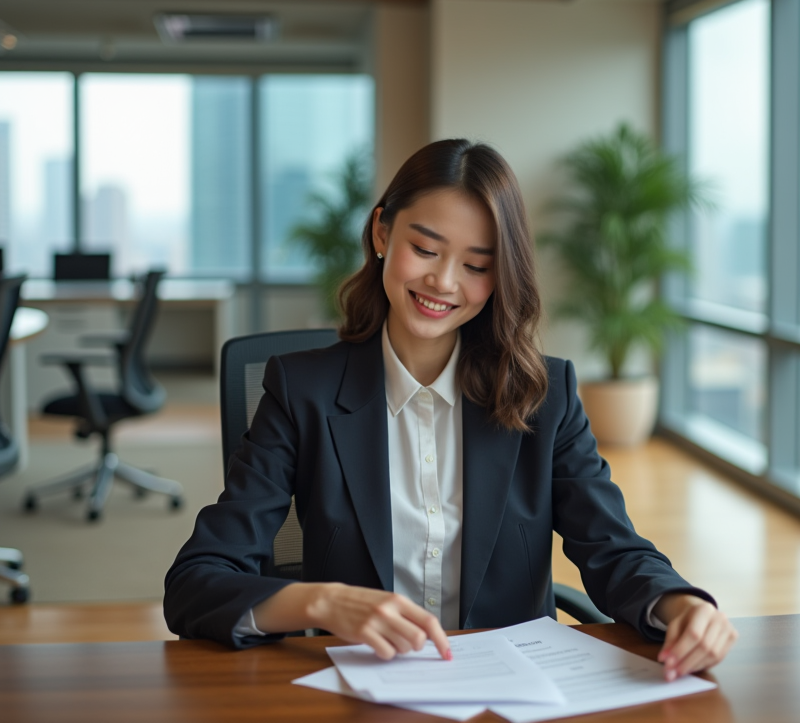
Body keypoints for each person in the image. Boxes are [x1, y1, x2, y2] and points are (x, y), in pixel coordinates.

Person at [164, 139, 737, 680]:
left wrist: (680, 604)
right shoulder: (301, 389)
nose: (443, 281)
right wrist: (322, 601)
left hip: (512, 689)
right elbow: (196, 582)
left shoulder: (546, 392)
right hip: (365, 687)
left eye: (476, 265)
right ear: (382, 232)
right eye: (425, 248)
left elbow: (611, 547)